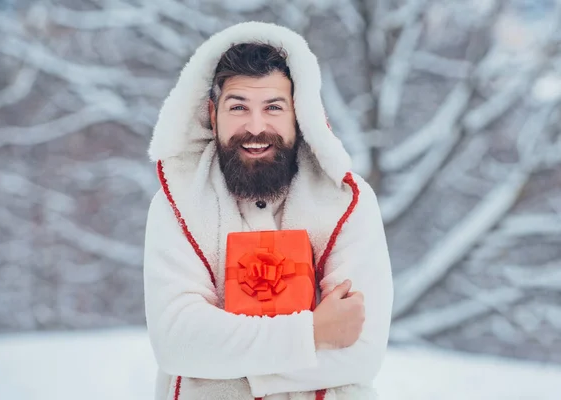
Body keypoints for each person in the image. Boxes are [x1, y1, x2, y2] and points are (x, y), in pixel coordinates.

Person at [143, 21, 393, 400]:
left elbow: (360, 354)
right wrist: (312, 333)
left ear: (299, 113)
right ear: (212, 114)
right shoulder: (175, 203)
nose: (255, 126)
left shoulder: (349, 202)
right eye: (238, 107)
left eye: (273, 107)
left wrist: (222, 362)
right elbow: (177, 343)